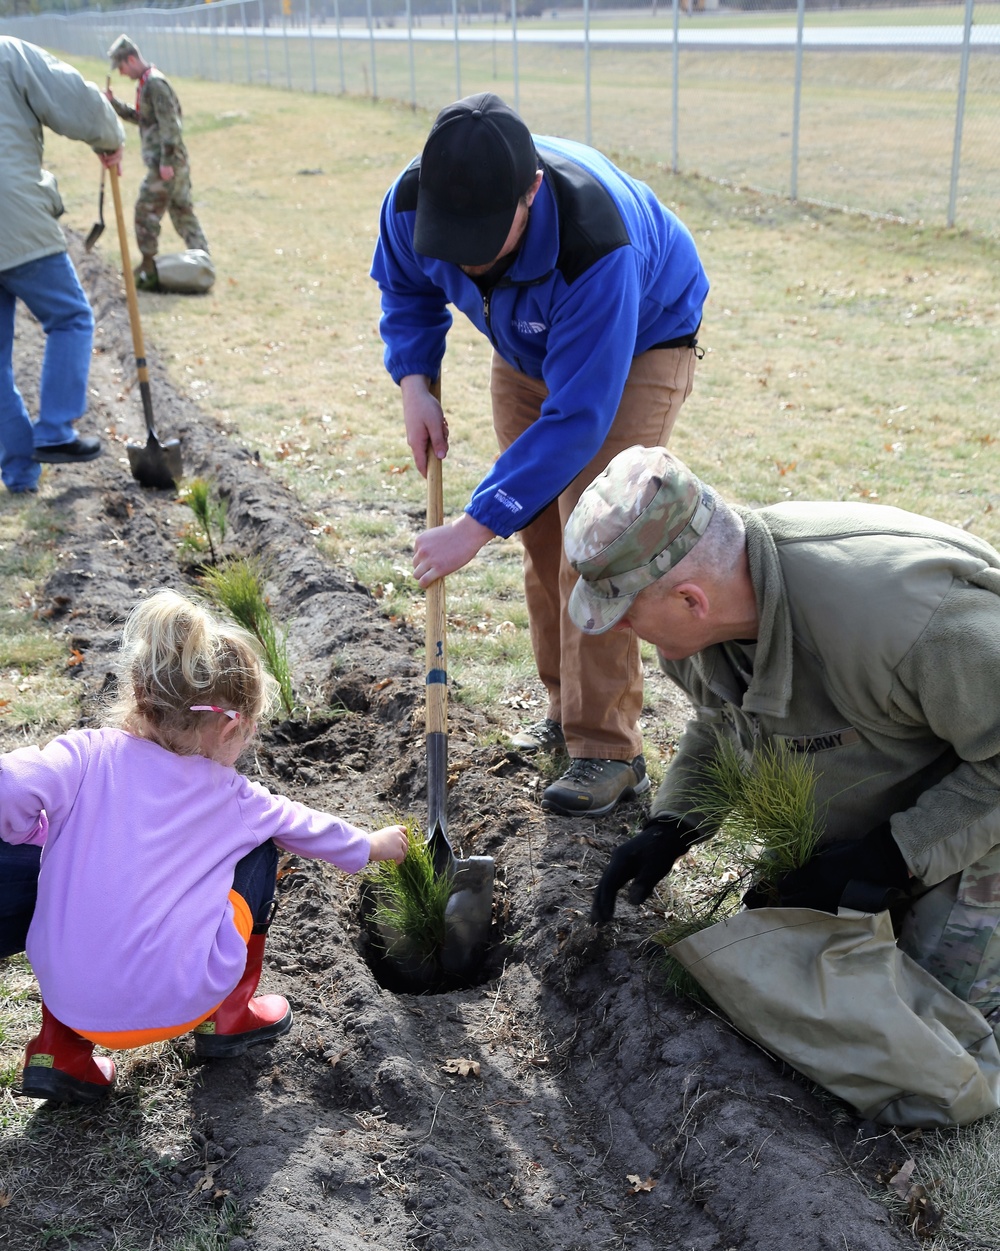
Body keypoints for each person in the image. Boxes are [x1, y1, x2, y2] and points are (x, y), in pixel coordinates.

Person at [569, 445, 1000, 1017]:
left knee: (935, 1032)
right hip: (884, 806)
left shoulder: (906, 622)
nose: (618, 628)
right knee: (790, 994)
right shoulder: (697, 631)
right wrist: (674, 823)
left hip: (977, 818)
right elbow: (719, 722)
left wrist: (891, 856)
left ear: (690, 598)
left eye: (624, 610)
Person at [371, 93, 709, 817]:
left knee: (598, 544)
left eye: (485, 235)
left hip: (638, 339)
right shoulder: (409, 202)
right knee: (541, 532)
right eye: (453, 236)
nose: (468, 253)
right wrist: (414, 382)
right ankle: (564, 711)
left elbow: (579, 419)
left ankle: (608, 750)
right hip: (525, 346)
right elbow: (405, 289)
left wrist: (471, 525)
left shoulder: (596, 243)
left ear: (531, 192)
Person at [0, 590, 408, 1106]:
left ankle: (58, 1050)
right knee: (260, 850)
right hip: (180, 1001)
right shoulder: (236, 798)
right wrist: (372, 845)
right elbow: (308, 828)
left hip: (71, 997)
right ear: (230, 726)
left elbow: (9, 786)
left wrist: (28, 834)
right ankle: (229, 1016)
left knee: (67, 865)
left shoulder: (85, 756)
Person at [0, 38, 124, 494]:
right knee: (70, 317)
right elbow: (73, 97)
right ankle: (54, 430)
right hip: (15, 219)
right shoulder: (8, 53)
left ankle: (18, 473)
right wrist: (108, 137)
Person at [106, 35, 210, 291]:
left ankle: (149, 269)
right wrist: (115, 105)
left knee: (145, 212)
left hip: (167, 165)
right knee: (182, 211)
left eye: (121, 67)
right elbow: (145, 118)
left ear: (131, 59)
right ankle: (203, 261)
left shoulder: (154, 84)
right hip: (173, 163)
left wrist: (166, 162)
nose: (120, 72)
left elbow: (170, 126)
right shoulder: (146, 84)